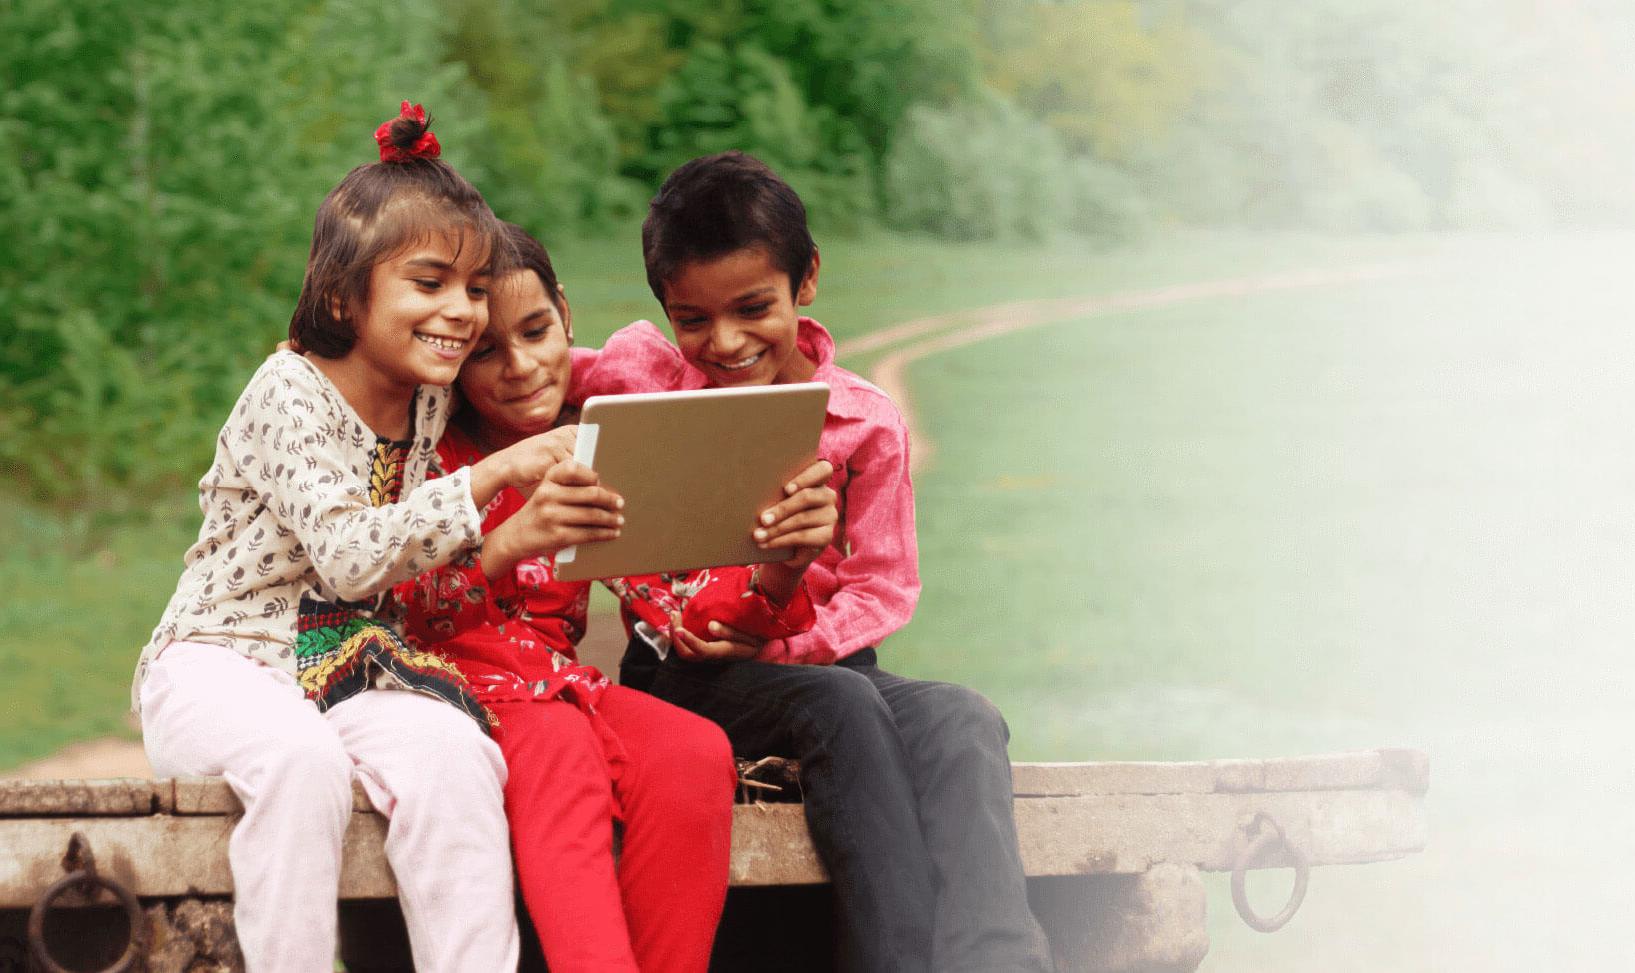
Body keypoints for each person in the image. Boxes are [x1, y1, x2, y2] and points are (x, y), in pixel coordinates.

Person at [569, 151, 1055, 973]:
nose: (723, 342)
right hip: (682, 671)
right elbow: (532, 364)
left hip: (824, 663)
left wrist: (783, 647)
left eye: (752, 307)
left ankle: (998, 960)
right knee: (839, 705)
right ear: (666, 313)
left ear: (806, 281)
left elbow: (881, 586)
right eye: (692, 319)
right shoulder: (644, 380)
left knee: (964, 715)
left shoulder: (861, 423)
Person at [131, 103, 562, 973]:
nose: (462, 312)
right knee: (301, 762)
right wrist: (487, 478)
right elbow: (351, 554)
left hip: (344, 665)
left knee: (457, 757)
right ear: (342, 295)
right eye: (430, 282)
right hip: (218, 661)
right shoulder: (288, 388)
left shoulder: (427, 390)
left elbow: (564, 370)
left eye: (474, 288)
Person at [389, 222, 841, 972]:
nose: (523, 367)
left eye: (536, 331)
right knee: (562, 754)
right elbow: (392, 607)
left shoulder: (597, 442)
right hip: (446, 689)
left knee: (695, 750)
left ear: (564, 313)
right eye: (485, 352)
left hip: (560, 688)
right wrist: (507, 541)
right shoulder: (429, 452)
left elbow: (684, 608)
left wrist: (782, 568)